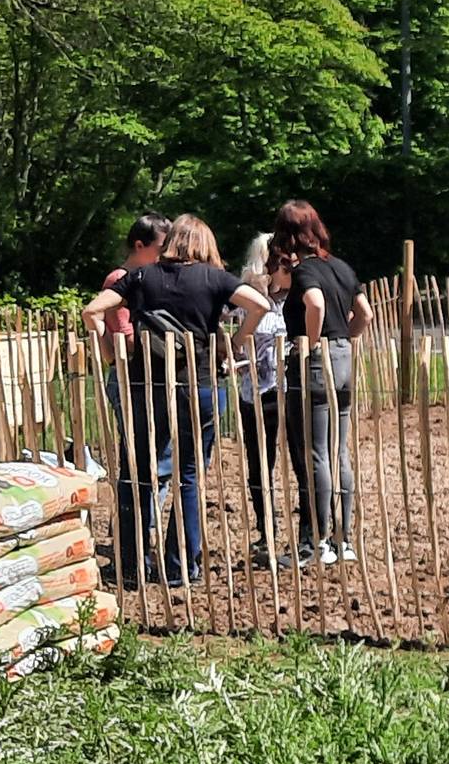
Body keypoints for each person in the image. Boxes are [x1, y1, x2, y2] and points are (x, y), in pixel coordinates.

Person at [82, 214, 268, 586]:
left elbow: (91, 310)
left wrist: (105, 339)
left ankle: (132, 566)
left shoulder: (140, 276)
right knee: (188, 477)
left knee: (138, 476)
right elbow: (259, 305)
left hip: (145, 388)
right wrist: (234, 343)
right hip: (196, 386)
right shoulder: (214, 278)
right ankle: (181, 566)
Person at [270, 200, 373, 567]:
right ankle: (344, 539)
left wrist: (312, 345)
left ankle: (317, 542)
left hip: (315, 363)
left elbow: (313, 304)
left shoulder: (305, 271)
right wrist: (344, 336)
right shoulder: (340, 267)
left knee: (315, 453)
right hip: (344, 358)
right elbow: (366, 313)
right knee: (339, 450)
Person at [103, 215, 174, 484]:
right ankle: (137, 519)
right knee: (142, 454)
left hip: (144, 374)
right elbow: (126, 335)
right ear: (140, 246)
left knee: (155, 454)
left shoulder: (146, 277)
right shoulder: (121, 279)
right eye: (160, 248)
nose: (165, 255)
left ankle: (139, 519)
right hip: (129, 376)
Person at [232, 233, 290, 570]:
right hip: (257, 391)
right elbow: (241, 342)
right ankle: (265, 530)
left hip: (289, 389)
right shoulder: (248, 298)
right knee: (260, 463)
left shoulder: (293, 295)